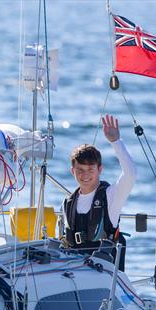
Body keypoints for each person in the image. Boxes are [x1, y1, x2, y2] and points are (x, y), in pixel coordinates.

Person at [62, 114, 137, 269]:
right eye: (80, 170)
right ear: (72, 171)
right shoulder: (68, 203)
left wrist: (116, 141)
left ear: (100, 169)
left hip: (104, 273)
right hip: (74, 271)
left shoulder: (111, 196)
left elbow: (130, 174)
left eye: (90, 169)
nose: (85, 175)